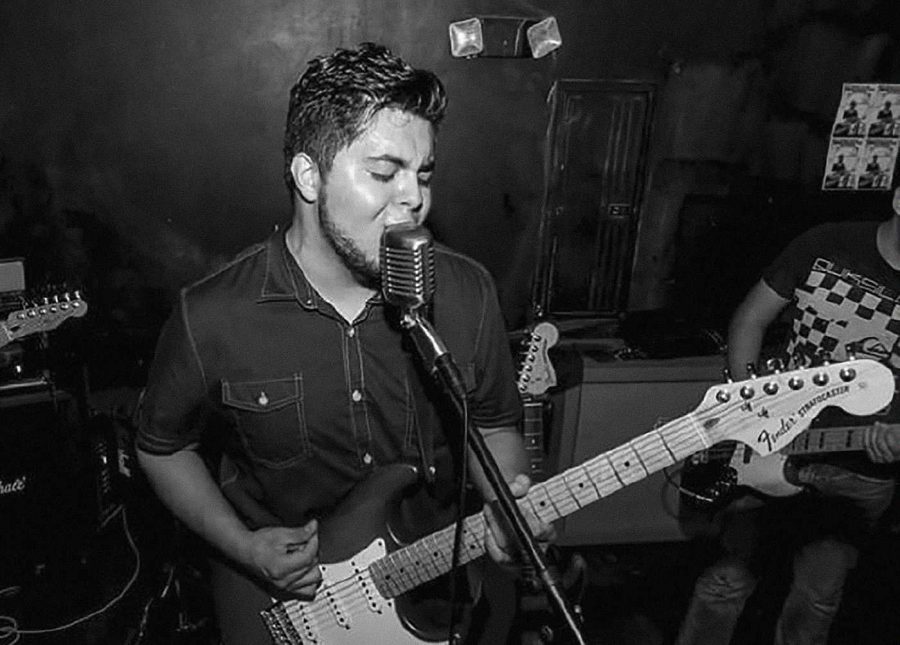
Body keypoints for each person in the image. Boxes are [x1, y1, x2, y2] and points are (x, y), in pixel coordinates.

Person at [135, 42, 552, 644]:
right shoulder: (213, 315)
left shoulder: (465, 293)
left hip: (433, 593)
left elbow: (492, 423)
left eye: (424, 173)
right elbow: (161, 447)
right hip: (281, 603)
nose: (414, 197)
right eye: (384, 173)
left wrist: (511, 514)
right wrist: (243, 546)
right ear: (310, 175)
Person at [675, 186, 900, 644]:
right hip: (768, 443)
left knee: (815, 601)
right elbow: (749, 321)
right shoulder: (826, 244)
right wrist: (747, 407)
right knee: (725, 582)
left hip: (856, 470)